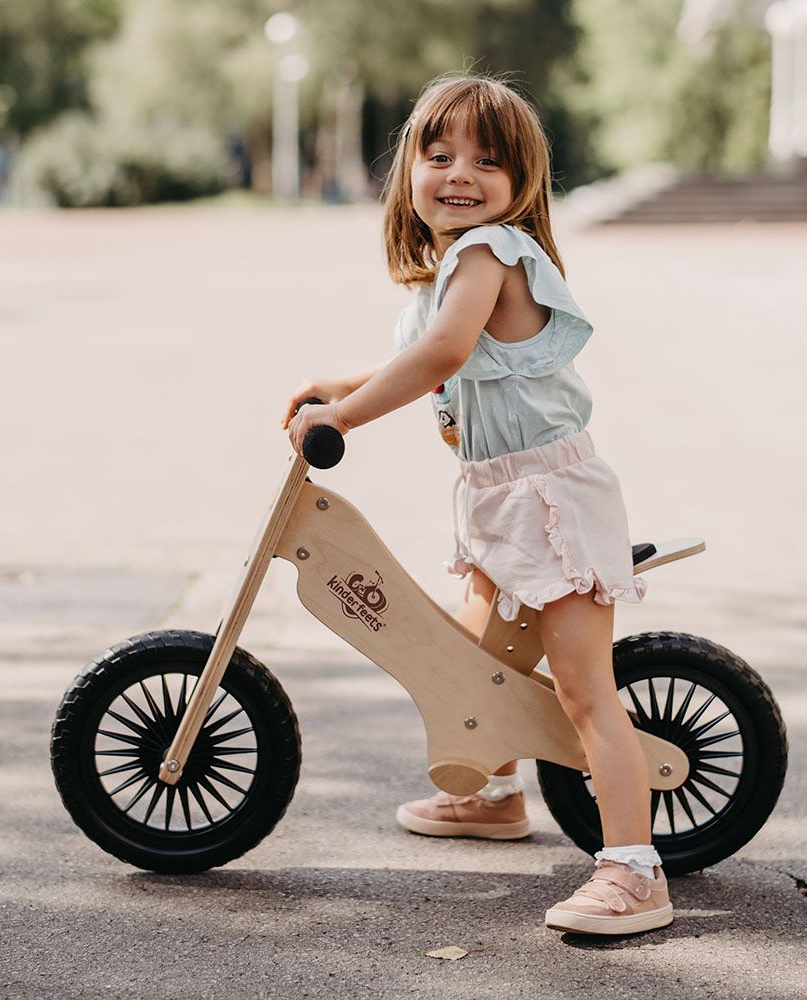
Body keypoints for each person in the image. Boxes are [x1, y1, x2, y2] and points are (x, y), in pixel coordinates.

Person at [281, 74, 672, 936]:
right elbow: (436, 351)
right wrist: (338, 384)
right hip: (499, 497)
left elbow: (444, 354)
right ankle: (495, 793)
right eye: (440, 153)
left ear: (521, 183)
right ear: (409, 170)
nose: (460, 173)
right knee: (473, 658)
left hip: (551, 496)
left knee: (582, 691)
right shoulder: (443, 274)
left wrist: (343, 417)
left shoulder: (490, 253)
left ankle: (635, 871)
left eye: (488, 161)